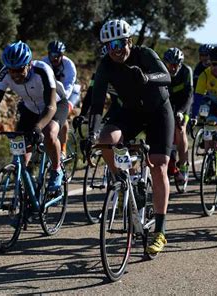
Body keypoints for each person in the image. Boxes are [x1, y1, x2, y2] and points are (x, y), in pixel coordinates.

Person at [87, 19, 172, 254]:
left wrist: (147, 77)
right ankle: (122, 181)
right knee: (105, 139)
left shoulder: (144, 54)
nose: (115, 49)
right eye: (108, 45)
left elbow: (166, 76)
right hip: (132, 112)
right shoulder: (105, 66)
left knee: (158, 165)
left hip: (158, 112)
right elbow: (96, 105)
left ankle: (160, 231)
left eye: (119, 43)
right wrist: (90, 134)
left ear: (129, 41)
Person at [0, 41, 68, 194]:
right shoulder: (4, 74)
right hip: (30, 108)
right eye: (11, 70)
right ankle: (29, 191)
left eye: (19, 69)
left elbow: (50, 106)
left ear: (28, 65)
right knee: (20, 152)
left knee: (50, 133)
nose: (15, 75)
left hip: (55, 104)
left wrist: (38, 127)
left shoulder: (42, 70)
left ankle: (56, 169)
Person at [42, 40, 81, 155]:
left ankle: (63, 148)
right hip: (54, 91)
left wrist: (60, 103)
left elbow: (68, 87)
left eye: (57, 55)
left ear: (62, 55)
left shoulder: (69, 65)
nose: (54, 58)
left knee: (62, 115)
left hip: (70, 93)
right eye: (52, 55)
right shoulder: (44, 63)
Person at [162, 47, 193, 182]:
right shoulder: (160, 70)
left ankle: (184, 165)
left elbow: (189, 96)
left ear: (180, 64)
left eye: (176, 65)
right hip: (167, 103)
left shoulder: (186, 71)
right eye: (170, 65)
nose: (173, 68)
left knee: (180, 130)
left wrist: (181, 112)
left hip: (182, 105)